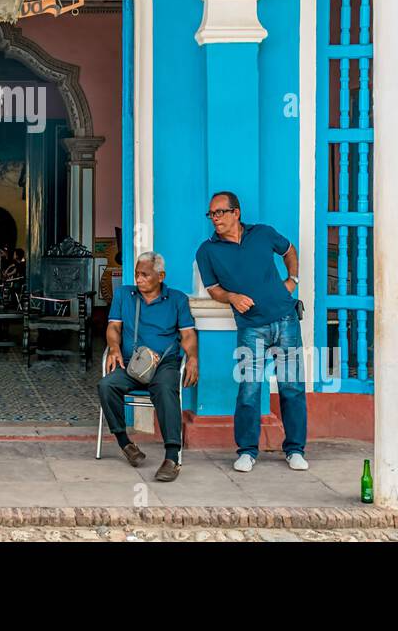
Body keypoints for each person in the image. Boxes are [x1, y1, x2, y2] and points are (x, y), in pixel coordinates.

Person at [195, 190, 308, 473]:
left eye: (220, 212)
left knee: (292, 387)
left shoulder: (263, 233)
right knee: (249, 390)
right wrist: (232, 297)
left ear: (236, 213)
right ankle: (247, 450)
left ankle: (295, 449)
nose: (215, 219)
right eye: (211, 214)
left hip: (286, 320)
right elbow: (213, 289)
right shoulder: (207, 250)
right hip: (250, 328)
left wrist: (292, 280)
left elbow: (289, 250)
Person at [97, 251, 197, 482]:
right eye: (137, 274)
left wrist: (192, 358)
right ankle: (125, 444)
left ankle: (172, 457)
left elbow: (188, 334)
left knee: (164, 389)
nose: (139, 279)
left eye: (145, 275)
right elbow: (113, 328)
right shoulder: (124, 295)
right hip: (132, 364)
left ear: (160, 276)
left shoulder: (177, 300)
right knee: (106, 385)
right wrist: (113, 348)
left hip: (165, 364)